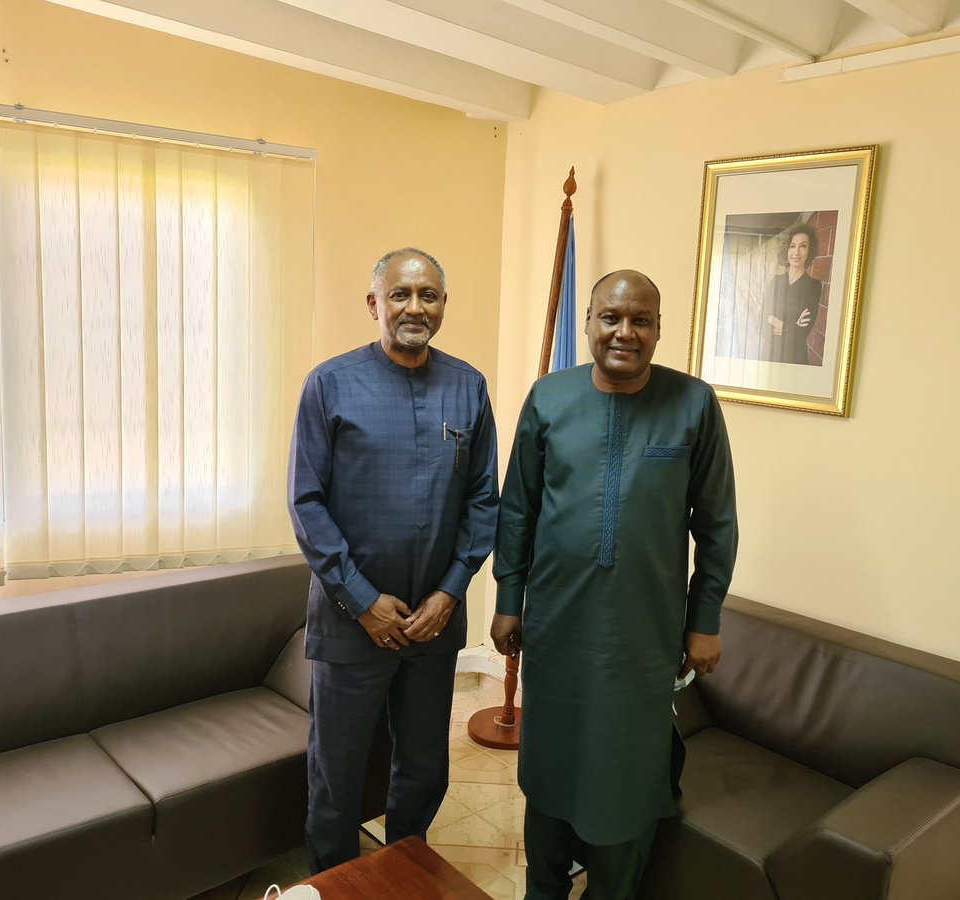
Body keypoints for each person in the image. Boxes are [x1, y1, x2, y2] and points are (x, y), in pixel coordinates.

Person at [491, 270, 738, 899]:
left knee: (627, 775)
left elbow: (717, 524)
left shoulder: (694, 404)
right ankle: (543, 889)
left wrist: (703, 620)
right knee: (550, 767)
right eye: (610, 317)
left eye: (641, 320)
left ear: (658, 329)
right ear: (589, 323)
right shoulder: (548, 397)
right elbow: (517, 509)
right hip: (556, 627)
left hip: (642, 637)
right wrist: (508, 600)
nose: (624, 332)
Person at [288, 247, 498, 872]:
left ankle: (406, 871)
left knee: (425, 769)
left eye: (428, 295)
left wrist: (450, 591)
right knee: (338, 777)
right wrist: (362, 601)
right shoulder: (329, 384)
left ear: (442, 306)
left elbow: (484, 499)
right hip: (352, 626)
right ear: (374, 304)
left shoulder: (468, 386)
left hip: (433, 627)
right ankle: (332, 883)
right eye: (400, 295)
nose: (415, 307)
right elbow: (306, 502)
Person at [761, 222, 822, 365]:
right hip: (769, 354)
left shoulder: (813, 286)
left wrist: (774, 321)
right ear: (786, 250)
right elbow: (762, 318)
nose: (796, 252)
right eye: (792, 246)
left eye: (803, 246)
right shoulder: (775, 281)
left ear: (809, 251)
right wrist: (790, 327)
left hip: (795, 359)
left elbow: (801, 334)